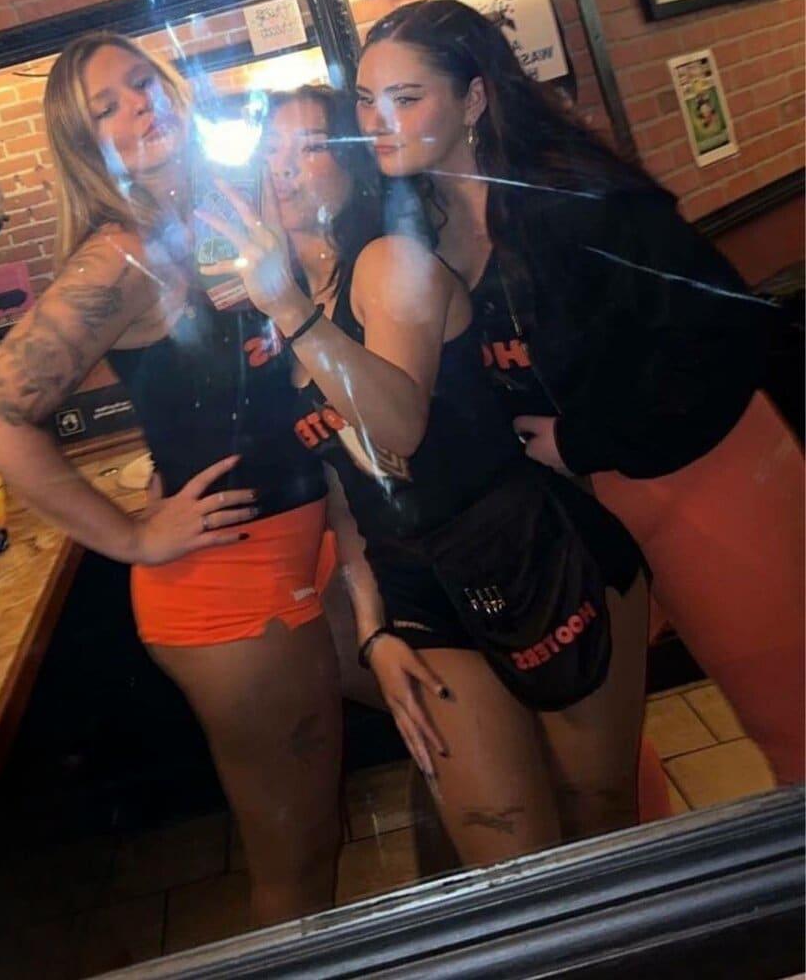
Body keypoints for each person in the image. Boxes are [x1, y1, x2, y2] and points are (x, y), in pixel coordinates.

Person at [355, 0, 804, 787]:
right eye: (365, 101)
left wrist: (580, 440)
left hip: (705, 477)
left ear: (473, 97)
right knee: (604, 763)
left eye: (405, 97)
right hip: (576, 523)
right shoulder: (415, 228)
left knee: (790, 720)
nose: (377, 123)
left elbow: (726, 337)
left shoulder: (579, 200)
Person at [200, 84, 650, 868]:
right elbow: (345, 492)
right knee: (508, 849)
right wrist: (373, 629)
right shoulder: (278, 306)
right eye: (271, 149)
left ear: (356, 166)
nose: (284, 167)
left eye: (311, 146)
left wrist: (291, 311)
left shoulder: (387, 262)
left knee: (599, 813)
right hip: (416, 583)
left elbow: (399, 425)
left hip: (531, 550)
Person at [0, 33, 345, 926]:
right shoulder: (119, 256)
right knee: (297, 861)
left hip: (304, 546)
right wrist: (132, 535)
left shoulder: (218, 212)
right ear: (87, 147)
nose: (138, 106)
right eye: (108, 108)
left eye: (142, 83)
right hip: (227, 585)